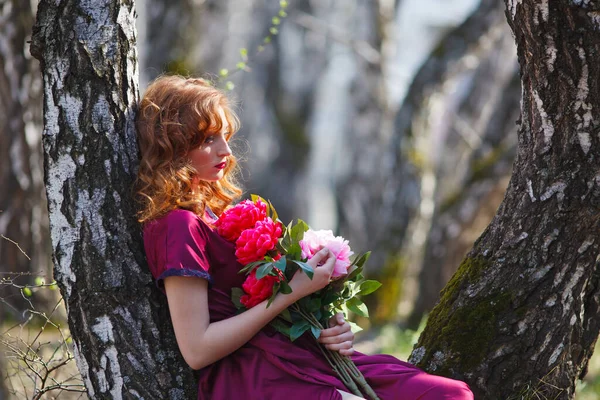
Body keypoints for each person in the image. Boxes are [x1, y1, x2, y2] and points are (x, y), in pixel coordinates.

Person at [135, 75, 474, 400]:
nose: (225, 150)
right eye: (208, 139)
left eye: (225, 135)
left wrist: (325, 321)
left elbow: (263, 300)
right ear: (173, 144)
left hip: (294, 356)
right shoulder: (177, 225)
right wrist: (293, 292)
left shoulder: (212, 215)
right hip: (252, 376)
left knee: (447, 394)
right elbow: (197, 350)